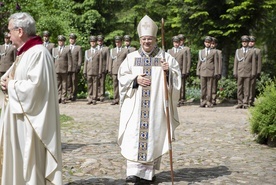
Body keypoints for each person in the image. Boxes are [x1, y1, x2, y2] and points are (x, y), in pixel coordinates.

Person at [0, 12, 63, 185]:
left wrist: (10, 85)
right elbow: (11, 76)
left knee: (29, 165)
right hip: (18, 121)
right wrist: (5, 82)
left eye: (10, 31)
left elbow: (36, 88)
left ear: (20, 31)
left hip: (30, 125)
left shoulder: (38, 53)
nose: (8, 36)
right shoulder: (25, 53)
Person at [118, 15, 181, 184]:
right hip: (135, 105)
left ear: (155, 40)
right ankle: (132, 172)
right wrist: (135, 80)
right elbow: (122, 77)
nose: (147, 42)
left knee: (153, 134)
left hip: (155, 106)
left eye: (150, 39)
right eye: (144, 39)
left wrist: (168, 73)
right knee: (134, 135)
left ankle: (147, 173)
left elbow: (176, 79)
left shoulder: (165, 58)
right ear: (140, 39)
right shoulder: (131, 58)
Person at [233, 35, 256, 109]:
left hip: (248, 72)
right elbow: (236, 62)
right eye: (243, 42)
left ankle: (245, 103)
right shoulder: (238, 51)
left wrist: (253, 72)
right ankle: (240, 102)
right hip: (240, 72)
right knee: (239, 88)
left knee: (247, 88)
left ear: (248, 42)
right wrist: (235, 72)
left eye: (246, 42)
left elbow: (253, 63)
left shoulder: (252, 51)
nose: (244, 43)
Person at [168, 35, 191, 106]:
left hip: (180, 70)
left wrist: (185, 71)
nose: (176, 44)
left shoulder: (183, 51)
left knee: (180, 86)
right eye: (175, 42)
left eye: (177, 42)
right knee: (171, 85)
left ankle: (180, 99)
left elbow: (185, 62)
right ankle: (172, 98)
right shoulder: (169, 51)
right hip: (171, 71)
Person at [196, 36, 218, 108]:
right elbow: (199, 62)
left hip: (210, 71)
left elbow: (216, 63)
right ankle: (203, 101)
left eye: (209, 42)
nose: (208, 44)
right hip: (203, 71)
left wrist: (216, 72)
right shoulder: (201, 52)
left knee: (210, 87)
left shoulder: (214, 52)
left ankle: (209, 101)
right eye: (206, 42)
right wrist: (198, 71)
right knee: (203, 87)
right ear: (204, 43)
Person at [52, 35, 72, 104]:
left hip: (64, 69)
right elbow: (53, 60)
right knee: (58, 84)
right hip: (56, 69)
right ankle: (58, 97)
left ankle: (63, 97)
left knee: (64, 83)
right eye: (59, 41)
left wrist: (69, 69)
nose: (60, 42)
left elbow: (70, 61)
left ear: (64, 42)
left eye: (62, 41)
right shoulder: (54, 50)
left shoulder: (67, 50)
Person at [109, 36, 128, 105]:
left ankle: (121, 99)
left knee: (122, 85)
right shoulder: (112, 50)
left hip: (122, 71)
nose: (117, 44)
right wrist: (109, 69)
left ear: (121, 42)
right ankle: (115, 99)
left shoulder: (125, 50)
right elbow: (110, 61)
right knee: (115, 85)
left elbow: (127, 61)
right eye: (116, 42)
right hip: (114, 70)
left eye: (119, 42)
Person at [83, 36, 102, 105]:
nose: (93, 43)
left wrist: (100, 72)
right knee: (89, 85)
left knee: (95, 85)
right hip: (89, 71)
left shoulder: (99, 52)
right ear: (90, 43)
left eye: (94, 42)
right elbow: (85, 62)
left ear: (96, 43)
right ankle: (89, 98)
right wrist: (84, 71)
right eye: (91, 42)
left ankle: (94, 98)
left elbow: (100, 63)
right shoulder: (87, 52)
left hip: (95, 71)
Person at [67, 33, 82, 101]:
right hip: (67, 67)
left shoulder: (78, 48)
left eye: (73, 39)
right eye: (70, 39)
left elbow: (80, 58)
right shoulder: (66, 47)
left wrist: (79, 66)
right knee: (68, 81)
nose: (71, 40)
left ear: (75, 40)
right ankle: (69, 94)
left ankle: (74, 95)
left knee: (74, 81)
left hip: (75, 67)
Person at [248, 35, 261, 106]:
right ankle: (245, 100)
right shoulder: (244, 50)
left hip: (253, 71)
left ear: (254, 43)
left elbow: (259, 63)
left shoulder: (257, 51)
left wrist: (258, 71)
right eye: (249, 41)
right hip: (245, 71)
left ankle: (251, 100)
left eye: (252, 41)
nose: (250, 43)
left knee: (252, 86)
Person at [97, 35, 109, 102]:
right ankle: (97, 95)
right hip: (96, 68)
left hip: (103, 68)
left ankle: (101, 95)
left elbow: (108, 59)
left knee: (102, 82)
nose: (99, 42)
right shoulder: (95, 49)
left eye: (101, 41)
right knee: (96, 83)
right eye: (98, 41)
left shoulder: (106, 49)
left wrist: (107, 67)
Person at [210, 37, 222, 105]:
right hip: (207, 71)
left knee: (214, 86)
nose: (212, 45)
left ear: (216, 44)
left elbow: (219, 63)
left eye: (213, 44)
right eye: (211, 43)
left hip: (215, 71)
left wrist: (218, 72)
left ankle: (213, 99)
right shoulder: (206, 51)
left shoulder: (218, 52)